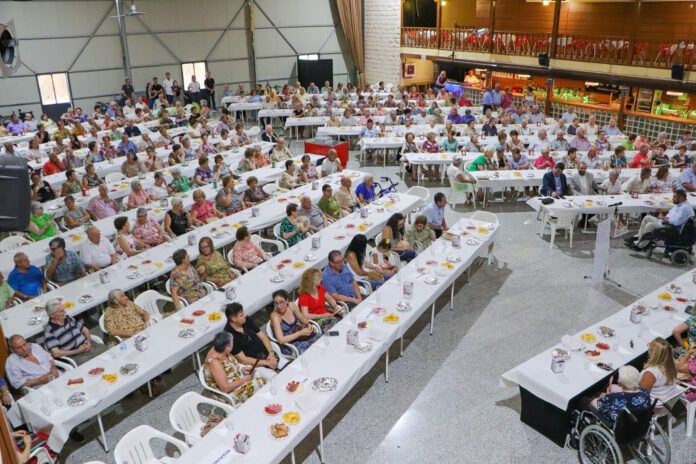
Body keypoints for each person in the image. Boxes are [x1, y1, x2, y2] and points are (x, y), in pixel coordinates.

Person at [204, 331, 268, 402]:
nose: (233, 344)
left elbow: (230, 368)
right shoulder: (215, 362)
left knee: (259, 376)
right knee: (258, 384)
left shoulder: (222, 349)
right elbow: (225, 388)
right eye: (232, 343)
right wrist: (246, 379)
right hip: (227, 395)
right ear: (227, 347)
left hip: (236, 381)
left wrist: (242, 369)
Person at [44, 299, 106, 365]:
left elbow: (85, 330)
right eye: (61, 311)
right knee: (92, 364)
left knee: (106, 350)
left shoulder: (68, 319)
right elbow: (56, 353)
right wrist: (78, 351)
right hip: (75, 356)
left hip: (88, 346)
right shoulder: (49, 330)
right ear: (52, 315)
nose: (65, 312)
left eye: (64, 309)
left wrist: (89, 341)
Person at [626, 190, 694, 250]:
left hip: (672, 227)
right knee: (647, 218)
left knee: (650, 225)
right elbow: (675, 213)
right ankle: (639, 238)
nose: (673, 199)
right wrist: (665, 210)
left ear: (681, 198)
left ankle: (640, 245)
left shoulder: (685, 208)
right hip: (666, 223)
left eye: (674, 197)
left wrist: (662, 217)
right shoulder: (681, 204)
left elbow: (676, 222)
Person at [223, 303, 280, 370]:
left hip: (266, 353)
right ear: (233, 318)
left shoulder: (246, 320)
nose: (245, 316)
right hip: (254, 363)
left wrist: (271, 353)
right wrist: (266, 363)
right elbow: (243, 359)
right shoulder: (229, 336)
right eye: (241, 315)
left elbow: (263, 336)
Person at [270, 289, 321, 355]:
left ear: (287, 301)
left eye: (281, 302)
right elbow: (281, 340)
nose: (279, 306)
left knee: (320, 339)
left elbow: (302, 318)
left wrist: (308, 324)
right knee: (311, 352)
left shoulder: (291, 306)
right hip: (288, 343)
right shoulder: (275, 317)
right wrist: (300, 333)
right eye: (276, 303)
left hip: (298, 334)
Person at [639, 337, 679, 404]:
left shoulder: (651, 373)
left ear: (653, 352)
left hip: (656, 406)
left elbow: (642, 396)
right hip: (670, 401)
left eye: (649, 345)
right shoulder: (672, 364)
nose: (648, 348)